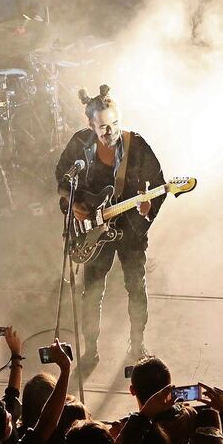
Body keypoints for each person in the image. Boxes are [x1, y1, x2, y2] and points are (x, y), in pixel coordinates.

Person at [55, 85, 166, 365]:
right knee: (91, 293)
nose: (110, 131)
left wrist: (147, 209)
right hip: (93, 232)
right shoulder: (79, 144)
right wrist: (74, 203)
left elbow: (160, 185)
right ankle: (90, 348)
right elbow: (61, 179)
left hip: (130, 230)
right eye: (103, 126)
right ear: (90, 124)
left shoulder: (136, 145)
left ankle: (137, 345)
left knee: (136, 287)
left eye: (115, 123)